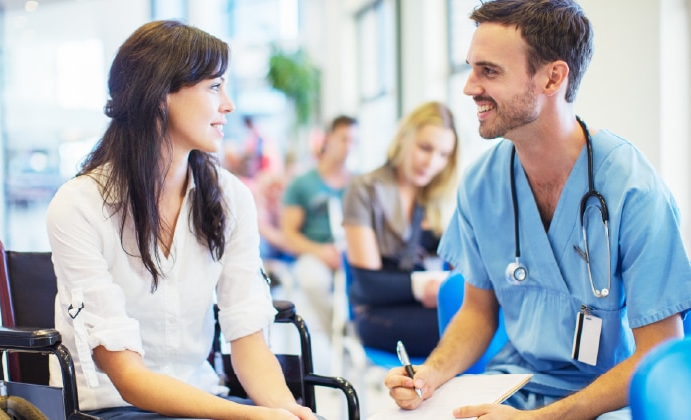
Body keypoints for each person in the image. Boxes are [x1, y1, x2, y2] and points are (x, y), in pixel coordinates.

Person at [384, 1, 691, 419]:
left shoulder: (632, 190)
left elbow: (661, 351)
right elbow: (477, 311)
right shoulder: (481, 184)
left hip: (605, 400)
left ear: (553, 77)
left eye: (489, 71)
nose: (470, 87)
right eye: (472, 68)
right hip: (511, 388)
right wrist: (429, 375)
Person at [46, 20, 316, 420]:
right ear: (159, 95)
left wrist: (287, 411)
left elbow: (248, 339)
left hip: (202, 400)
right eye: (214, 87)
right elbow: (127, 377)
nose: (229, 104)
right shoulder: (80, 205)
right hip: (111, 409)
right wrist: (247, 416)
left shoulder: (230, 198)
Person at [342, 101, 458, 357]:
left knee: (482, 323)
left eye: (443, 155)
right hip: (377, 315)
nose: (432, 162)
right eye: (425, 148)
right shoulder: (364, 190)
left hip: (425, 307)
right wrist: (425, 287)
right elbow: (369, 285)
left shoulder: (438, 197)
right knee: (470, 334)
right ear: (404, 138)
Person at [281, 115, 358, 333]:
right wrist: (321, 251)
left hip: (352, 253)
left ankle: (362, 334)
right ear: (328, 139)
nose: (349, 147)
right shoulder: (302, 184)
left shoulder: (359, 184)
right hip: (316, 254)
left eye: (354, 141)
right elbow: (289, 234)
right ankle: (343, 335)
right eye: (344, 139)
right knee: (312, 281)